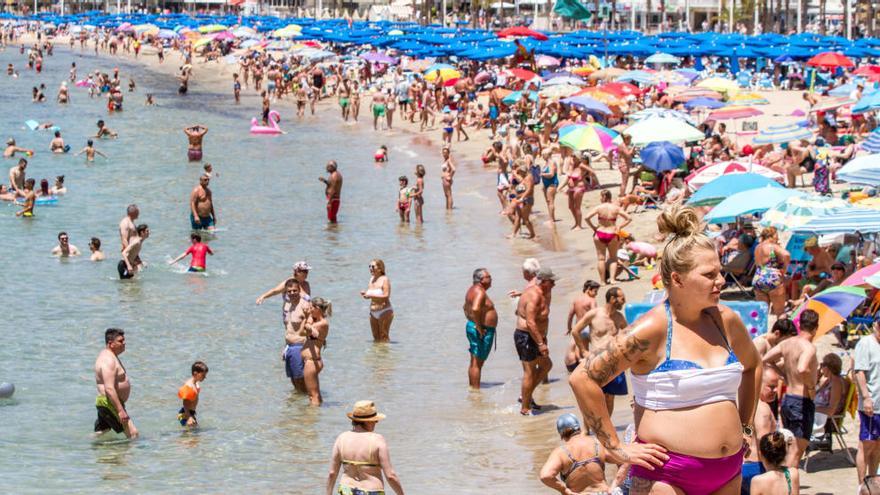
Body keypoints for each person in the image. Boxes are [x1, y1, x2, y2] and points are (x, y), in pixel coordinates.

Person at [569, 205, 761, 493]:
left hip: (728, 471)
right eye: (710, 274)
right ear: (677, 279)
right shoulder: (652, 329)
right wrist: (616, 448)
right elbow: (583, 379)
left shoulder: (726, 321)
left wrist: (745, 427)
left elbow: (753, 366)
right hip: (667, 476)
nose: (720, 281)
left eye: (719, 272)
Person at [764, 309, 819, 468]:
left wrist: (785, 374)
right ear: (816, 328)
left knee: (788, 450)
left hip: (787, 400)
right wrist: (811, 387)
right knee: (796, 453)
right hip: (801, 401)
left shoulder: (787, 343)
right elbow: (802, 368)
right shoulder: (808, 347)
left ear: (800, 325)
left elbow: (766, 359)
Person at [325, 400, 404, 495]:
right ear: (368, 422)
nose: (377, 422)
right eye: (375, 420)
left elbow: (332, 473)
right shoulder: (377, 440)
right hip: (371, 491)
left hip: (346, 490)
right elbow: (390, 476)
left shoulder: (341, 438)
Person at [571, 287, 629, 415]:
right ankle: (586, 430)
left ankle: (607, 426)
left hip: (614, 361)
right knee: (595, 396)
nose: (624, 301)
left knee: (610, 397)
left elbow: (628, 335)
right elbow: (575, 331)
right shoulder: (595, 314)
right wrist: (584, 351)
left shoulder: (619, 317)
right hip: (596, 361)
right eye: (622, 298)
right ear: (613, 299)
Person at [515, 268, 556, 416]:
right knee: (529, 372)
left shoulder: (542, 292)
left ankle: (525, 397)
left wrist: (542, 337)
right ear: (544, 282)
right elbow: (530, 322)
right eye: (552, 282)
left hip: (536, 336)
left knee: (546, 365)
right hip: (526, 336)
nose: (554, 284)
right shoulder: (534, 296)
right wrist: (540, 343)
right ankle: (525, 409)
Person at [539, 413, 611, 494]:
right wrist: (615, 484)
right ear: (579, 428)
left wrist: (564, 490)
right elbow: (623, 460)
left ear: (561, 434)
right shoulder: (597, 443)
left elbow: (545, 476)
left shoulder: (561, 452)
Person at [742, 367, 782, 493]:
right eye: (771, 386)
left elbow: (746, 433)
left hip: (744, 467)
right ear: (759, 384)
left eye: (776, 386)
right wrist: (773, 471)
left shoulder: (747, 405)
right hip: (759, 467)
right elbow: (764, 442)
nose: (775, 390)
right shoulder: (763, 409)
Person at [94, 328, 138, 438]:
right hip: (110, 403)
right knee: (133, 434)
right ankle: (128, 455)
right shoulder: (107, 360)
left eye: (124, 340)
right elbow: (109, 388)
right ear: (110, 343)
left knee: (101, 434)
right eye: (120, 341)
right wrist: (120, 411)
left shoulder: (112, 356)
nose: (124, 343)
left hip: (108, 402)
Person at [585, 190, 632, 285]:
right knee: (613, 258)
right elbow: (629, 218)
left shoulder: (599, 207)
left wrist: (594, 227)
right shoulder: (616, 208)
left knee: (601, 259)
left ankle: (602, 281)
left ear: (604, 197)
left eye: (601, 197)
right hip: (612, 233)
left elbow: (586, 218)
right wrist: (619, 227)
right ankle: (612, 279)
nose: (600, 199)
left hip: (600, 233)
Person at [463, 268, 497, 389]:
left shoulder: (472, 290)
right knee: (478, 363)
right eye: (489, 277)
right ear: (481, 279)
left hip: (474, 326)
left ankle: (473, 388)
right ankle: (476, 392)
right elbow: (475, 309)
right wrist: (478, 326)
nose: (491, 279)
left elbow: (465, 307)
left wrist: (472, 321)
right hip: (482, 329)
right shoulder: (479, 292)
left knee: (474, 361)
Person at [856, 314, 880, 484]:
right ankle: (862, 485)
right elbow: (859, 371)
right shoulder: (866, 343)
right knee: (867, 444)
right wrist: (866, 398)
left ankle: (873, 482)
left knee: (878, 445)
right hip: (871, 403)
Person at [752, 227, 791, 317]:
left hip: (758, 277)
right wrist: (784, 269)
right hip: (772, 277)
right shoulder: (772, 246)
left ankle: (762, 331)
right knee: (780, 312)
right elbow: (786, 254)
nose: (777, 238)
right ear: (771, 236)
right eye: (776, 236)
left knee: (762, 314)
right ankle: (780, 331)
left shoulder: (757, 247)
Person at [281, 278, 311, 392]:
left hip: (300, 346)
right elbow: (288, 328)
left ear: (299, 290)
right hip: (289, 346)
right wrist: (285, 348)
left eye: (295, 290)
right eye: (289, 291)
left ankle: (306, 404)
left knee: (300, 378)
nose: (292, 293)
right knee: (293, 380)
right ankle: (298, 406)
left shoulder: (305, 305)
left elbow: (312, 324)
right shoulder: (287, 306)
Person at [565, 280, 600, 373]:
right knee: (596, 347)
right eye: (595, 291)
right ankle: (591, 368)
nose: (596, 294)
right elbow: (595, 314)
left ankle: (581, 367)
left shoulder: (576, 300)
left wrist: (569, 328)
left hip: (579, 329)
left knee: (582, 350)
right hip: (589, 327)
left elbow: (570, 315)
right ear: (588, 289)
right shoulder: (591, 300)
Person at [302, 297, 332, 406]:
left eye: (311, 308)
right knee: (316, 394)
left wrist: (308, 325)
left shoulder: (322, 323)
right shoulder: (315, 321)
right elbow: (308, 325)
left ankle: (311, 418)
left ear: (317, 308)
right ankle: (318, 417)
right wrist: (309, 323)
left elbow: (302, 332)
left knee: (312, 395)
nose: (309, 310)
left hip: (312, 362)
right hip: (312, 361)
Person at [361, 259, 393, 342]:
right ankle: (377, 355)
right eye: (369, 266)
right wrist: (365, 295)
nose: (370, 268)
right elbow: (370, 294)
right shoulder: (371, 279)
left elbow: (386, 296)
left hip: (385, 311)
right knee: (376, 338)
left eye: (372, 266)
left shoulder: (384, 279)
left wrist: (370, 295)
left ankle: (386, 354)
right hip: (373, 312)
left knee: (384, 337)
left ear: (380, 268)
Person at [177, 361, 208, 428]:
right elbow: (185, 403)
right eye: (203, 375)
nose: (205, 377)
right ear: (195, 373)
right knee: (190, 436)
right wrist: (189, 417)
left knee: (195, 434)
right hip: (185, 414)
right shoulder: (189, 386)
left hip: (190, 413)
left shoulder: (195, 383)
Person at [441, 146, 456, 210]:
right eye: (443, 152)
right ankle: (447, 209)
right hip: (444, 180)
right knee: (446, 195)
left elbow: (454, 169)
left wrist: (450, 176)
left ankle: (450, 209)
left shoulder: (448, 160)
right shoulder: (445, 160)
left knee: (449, 195)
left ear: (448, 153)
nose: (444, 154)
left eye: (446, 152)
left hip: (447, 180)